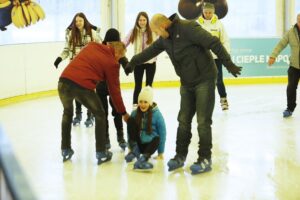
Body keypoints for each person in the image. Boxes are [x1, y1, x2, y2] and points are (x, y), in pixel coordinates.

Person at [125, 13, 241, 174]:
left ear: (163, 26)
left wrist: (229, 64)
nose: (156, 35)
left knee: (202, 121)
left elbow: (213, 42)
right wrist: (132, 62)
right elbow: (149, 52)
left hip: (204, 78)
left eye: (156, 31)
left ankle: (205, 158)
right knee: (184, 120)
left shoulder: (188, 27)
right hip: (187, 82)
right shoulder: (165, 39)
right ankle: (180, 156)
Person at [58, 41, 129, 165]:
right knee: (100, 114)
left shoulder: (92, 45)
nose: (119, 60)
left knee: (67, 113)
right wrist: (123, 112)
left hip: (63, 81)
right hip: (82, 86)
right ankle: (101, 151)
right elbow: (114, 91)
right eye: (120, 57)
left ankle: (65, 149)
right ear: (117, 52)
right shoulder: (112, 63)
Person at [54, 12, 101, 127]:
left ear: (84, 21)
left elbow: (100, 46)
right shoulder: (71, 34)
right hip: (75, 68)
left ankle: (90, 115)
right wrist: (59, 59)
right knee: (75, 92)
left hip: (89, 68)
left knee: (89, 92)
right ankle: (78, 115)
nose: (78, 23)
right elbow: (66, 50)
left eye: (80, 20)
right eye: (76, 21)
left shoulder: (92, 33)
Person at [96, 28, 127, 150]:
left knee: (117, 111)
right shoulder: (101, 51)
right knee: (103, 113)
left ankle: (120, 136)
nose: (111, 45)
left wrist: (128, 66)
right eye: (109, 43)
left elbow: (124, 59)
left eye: (114, 43)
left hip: (113, 85)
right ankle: (106, 138)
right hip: (101, 87)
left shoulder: (118, 51)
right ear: (105, 42)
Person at [124, 86, 166, 170]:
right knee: (131, 121)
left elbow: (163, 133)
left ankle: (143, 159)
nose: (143, 104)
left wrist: (160, 152)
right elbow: (130, 132)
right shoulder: (134, 113)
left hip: (149, 146)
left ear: (150, 103)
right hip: (138, 144)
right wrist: (130, 147)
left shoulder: (157, 115)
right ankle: (134, 151)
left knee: (157, 138)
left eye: (146, 102)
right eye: (141, 102)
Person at [198, 3, 230, 110]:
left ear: (213, 12)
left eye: (210, 12)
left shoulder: (219, 24)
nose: (207, 14)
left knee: (218, 80)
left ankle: (223, 99)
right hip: (202, 58)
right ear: (203, 11)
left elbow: (225, 40)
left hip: (216, 58)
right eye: (206, 12)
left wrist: (226, 55)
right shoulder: (198, 23)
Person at [123, 11, 157, 109]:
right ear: (137, 21)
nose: (142, 22)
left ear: (147, 20)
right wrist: (118, 49)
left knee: (149, 85)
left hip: (151, 62)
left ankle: (148, 104)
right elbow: (125, 42)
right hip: (138, 63)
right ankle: (135, 104)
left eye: (144, 20)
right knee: (138, 85)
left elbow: (162, 39)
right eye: (140, 20)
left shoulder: (152, 31)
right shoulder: (133, 31)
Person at [268, 14, 300, 118]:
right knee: (291, 88)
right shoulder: (291, 32)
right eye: (299, 21)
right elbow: (281, 44)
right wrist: (273, 56)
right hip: (294, 66)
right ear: (297, 21)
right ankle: (290, 108)